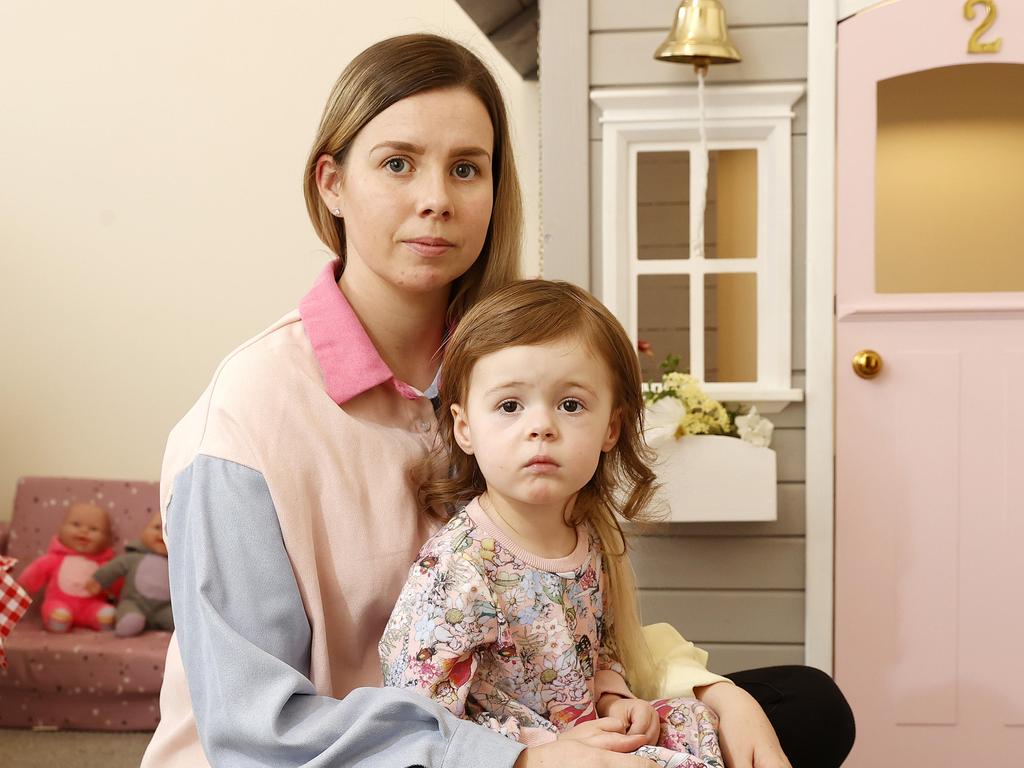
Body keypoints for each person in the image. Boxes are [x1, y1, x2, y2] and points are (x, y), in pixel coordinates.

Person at [142, 32, 854, 768]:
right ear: (331, 183)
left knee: (802, 706)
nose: (436, 201)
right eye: (397, 164)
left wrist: (705, 692)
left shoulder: (518, 378)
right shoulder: (242, 421)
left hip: (529, 722)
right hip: (355, 756)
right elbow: (253, 728)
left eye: (465, 169)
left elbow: (573, 622)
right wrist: (518, 761)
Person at [380, 279, 725, 768]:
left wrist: (615, 700)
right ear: (465, 427)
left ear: (610, 428)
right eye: (509, 406)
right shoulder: (458, 567)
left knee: (695, 722)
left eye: (570, 404)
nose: (541, 426)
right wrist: (536, 751)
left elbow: (599, 649)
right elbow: (418, 716)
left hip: (585, 730)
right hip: (512, 755)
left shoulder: (588, 538)